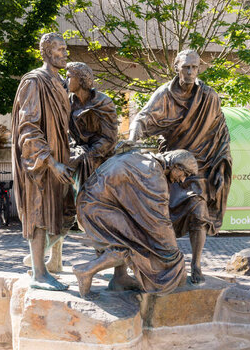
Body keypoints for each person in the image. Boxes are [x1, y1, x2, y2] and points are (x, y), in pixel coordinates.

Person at [123, 49, 232, 284]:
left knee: (198, 211)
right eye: (185, 67)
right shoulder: (165, 94)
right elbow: (142, 118)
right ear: (177, 68)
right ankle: (162, 261)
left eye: (194, 67)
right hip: (172, 166)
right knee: (158, 213)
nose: (190, 71)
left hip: (201, 166)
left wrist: (221, 168)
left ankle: (196, 264)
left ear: (199, 69)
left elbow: (221, 134)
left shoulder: (209, 97)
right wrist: (132, 140)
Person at [73, 150, 198, 299]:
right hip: (95, 209)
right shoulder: (154, 178)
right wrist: (173, 255)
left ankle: (120, 279)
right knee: (133, 245)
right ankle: (86, 271)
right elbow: (159, 223)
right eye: (184, 174)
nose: (183, 180)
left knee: (131, 233)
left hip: (94, 202)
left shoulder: (144, 156)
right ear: (175, 166)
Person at [11, 32, 75, 291]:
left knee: (64, 211)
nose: (65, 53)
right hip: (40, 163)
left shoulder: (61, 82)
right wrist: (49, 162)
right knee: (38, 211)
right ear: (47, 52)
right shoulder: (34, 82)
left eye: (65, 48)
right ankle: (39, 273)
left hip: (62, 157)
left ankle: (52, 262)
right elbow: (28, 127)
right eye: (60, 49)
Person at [41, 62, 119, 273]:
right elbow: (63, 133)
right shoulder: (67, 102)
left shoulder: (103, 102)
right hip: (74, 159)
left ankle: (105, 261)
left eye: (69, 77)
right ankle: (54, 258)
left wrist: (85, 155)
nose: (66, 81)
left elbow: (109, 139)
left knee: (92, 212)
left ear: (82, 80)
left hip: (99, 163)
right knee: (61, 206)